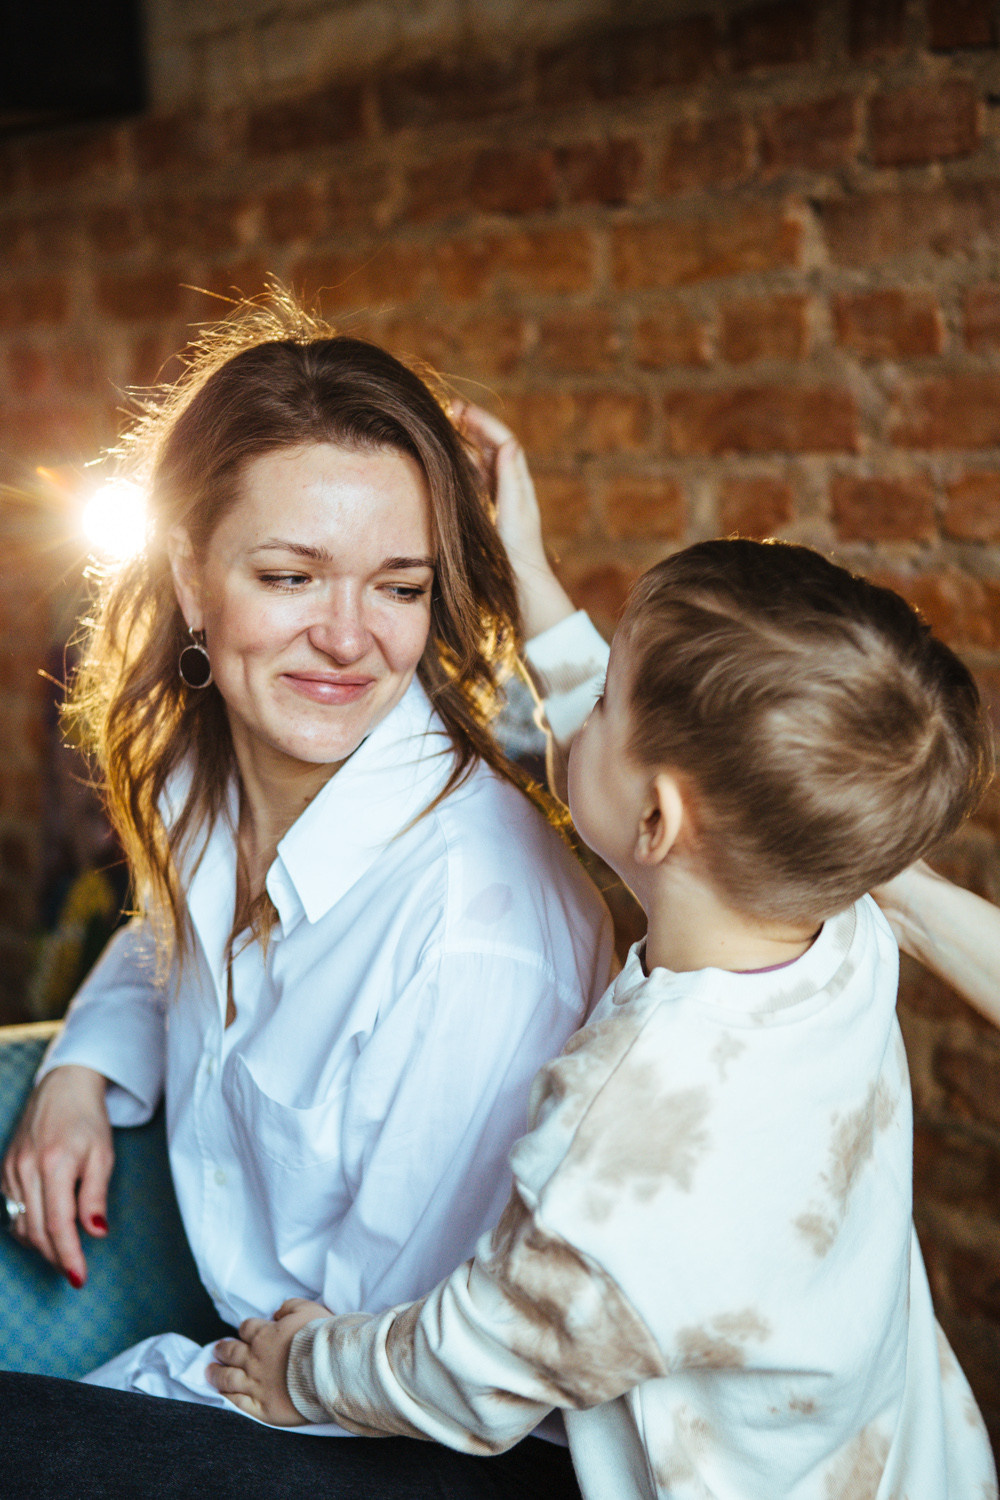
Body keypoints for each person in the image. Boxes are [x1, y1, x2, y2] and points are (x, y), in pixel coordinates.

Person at [208, 530, 999, 1499]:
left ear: (661, 823)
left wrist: (306, 1369)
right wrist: (533, 577)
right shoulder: (838, 929)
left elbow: (471, 1371)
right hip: (915, 1459)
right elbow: (654, 786)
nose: (582, 717)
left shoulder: (621, 1145)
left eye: (609, 698)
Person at [0, 301, 611, 1497]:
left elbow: (400, 1361)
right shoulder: (200, 775)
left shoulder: (474, 935)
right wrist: (83, 1068)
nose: (347, 639)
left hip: (410, 1439)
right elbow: (169, 931)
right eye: (289, 575)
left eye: (398, 586)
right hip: (272, 1385)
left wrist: (152, 1395)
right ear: (189, 573)